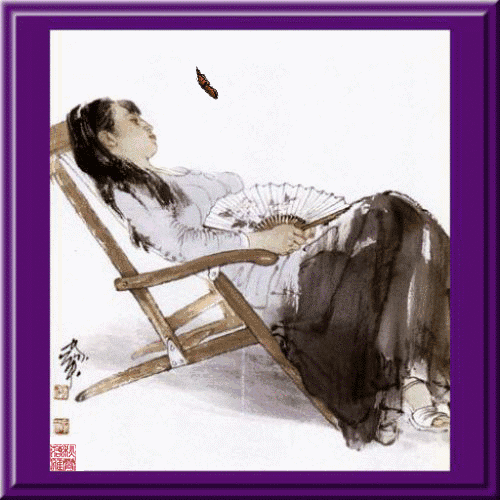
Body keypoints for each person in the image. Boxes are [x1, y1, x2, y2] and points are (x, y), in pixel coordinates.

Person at [66, 97, 450, 449]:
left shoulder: (169, 174)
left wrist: (291, 235)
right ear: (108, 140)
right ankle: (420, 381)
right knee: (389, 213)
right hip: (261, 277)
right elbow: (182, 246)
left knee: (399, 237)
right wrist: (259, 240)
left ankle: (415, 381)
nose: (148, 124)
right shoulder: (128, 191)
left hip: (283, 258)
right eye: (134, 121)